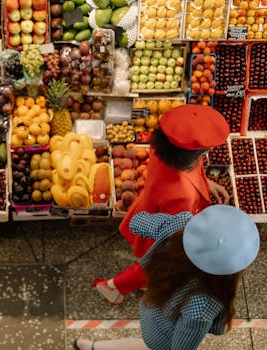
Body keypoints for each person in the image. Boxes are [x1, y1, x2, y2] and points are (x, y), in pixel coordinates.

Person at [94, 104, 231, 305]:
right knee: (159, 263)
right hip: (163, 228)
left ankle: (117, 285)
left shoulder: (162, 147)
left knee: (152, 260)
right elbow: (175, 236)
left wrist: (205, 182)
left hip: (149, 207)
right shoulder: (181, 195)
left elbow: (188, 170)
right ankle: (113, 286)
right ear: (194, 154)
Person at [74, 205, 260, 350]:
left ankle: (93, 347)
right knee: (151, 345)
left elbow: (136, 222)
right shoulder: (205, 304)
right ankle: (93, 347)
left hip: (150, 305)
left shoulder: (181, 224)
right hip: (163, 334)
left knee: (145, 344)